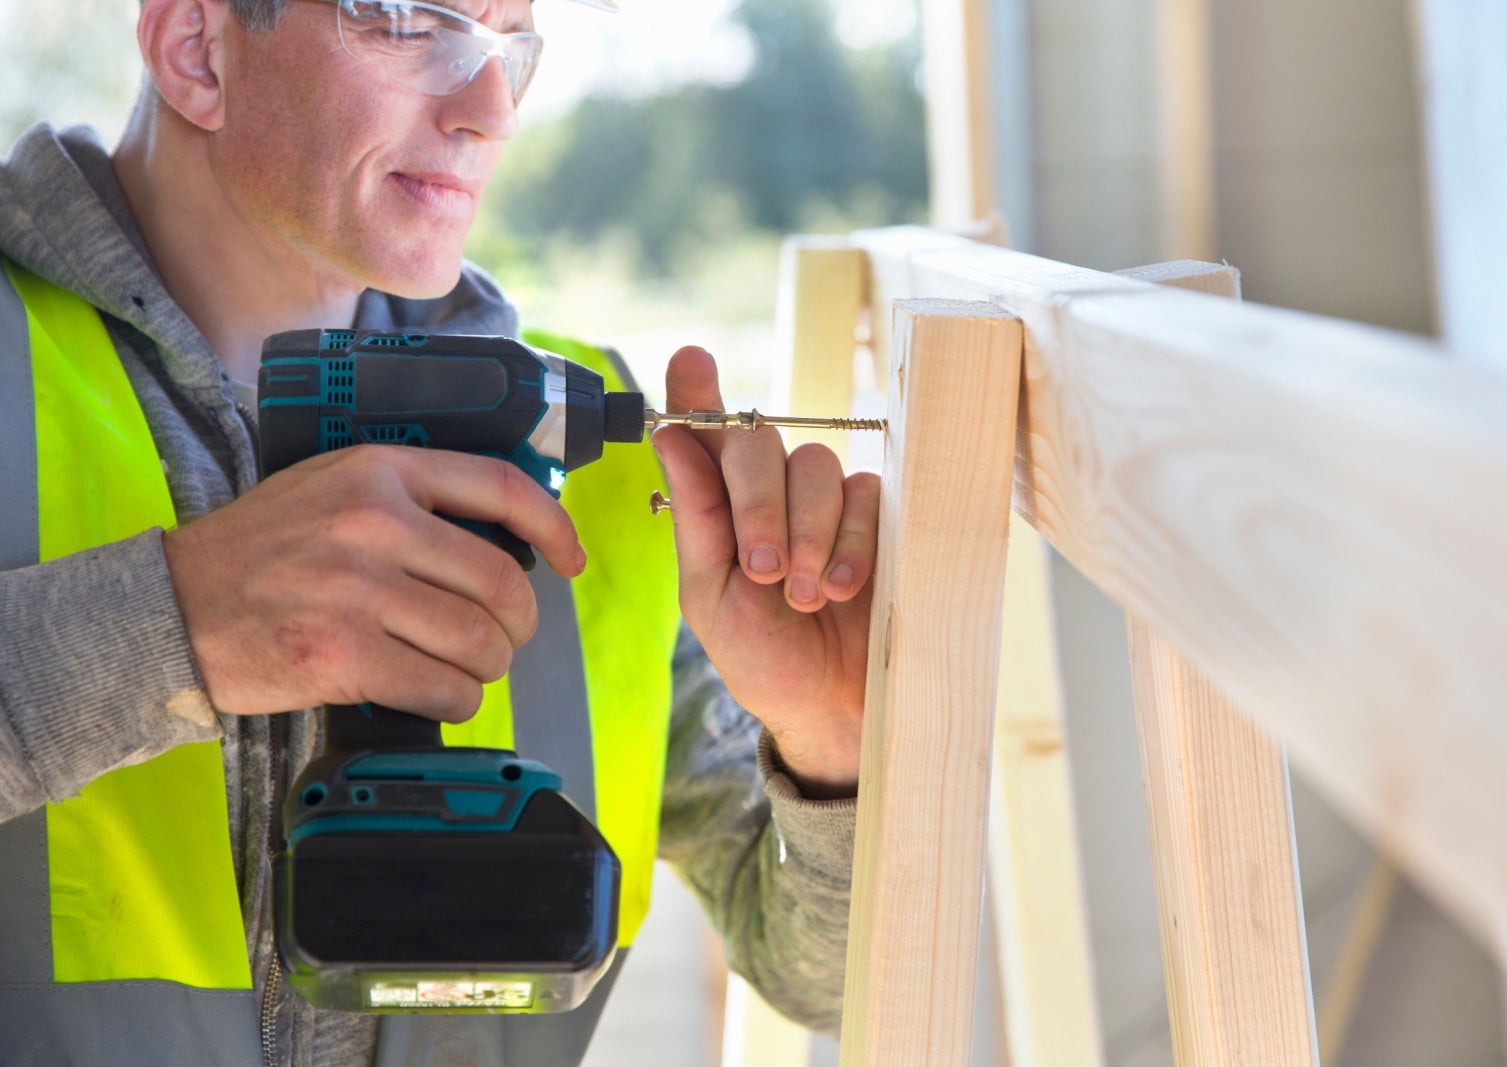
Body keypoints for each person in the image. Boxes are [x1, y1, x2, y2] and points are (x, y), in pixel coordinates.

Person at [0, 0, 881, 1062]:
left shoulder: (591, 455)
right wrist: (169, 623)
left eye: (512, 43)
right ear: (197, 46)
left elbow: (819, 967)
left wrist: (830, 740)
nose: (489, 107)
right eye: (410, 20)